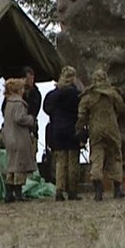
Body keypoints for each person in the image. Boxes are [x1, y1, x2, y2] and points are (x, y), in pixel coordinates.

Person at [77, 68, 125, 201]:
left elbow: (81, 115)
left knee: (96, 158)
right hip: (112, 129)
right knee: (115, 156)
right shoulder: (113, 94)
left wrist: (79, 128)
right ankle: (117, 190)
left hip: (96, 129)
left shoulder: (88, 96)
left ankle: (98, 192)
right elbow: (121, 107)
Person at [43, 65, 82, 201]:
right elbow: (81, 111)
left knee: (60, 162)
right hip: (72, 129)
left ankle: (59, 190)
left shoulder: (53, 95)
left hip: (57, 130)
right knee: (72, 161)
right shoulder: (76, 94)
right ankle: (72, 191)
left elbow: (47, 109)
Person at [1, 78, 36, 203]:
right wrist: (30, 119)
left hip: (9, 138)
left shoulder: (8, 103)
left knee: (11, 166)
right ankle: (18, 194)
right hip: (19, 138)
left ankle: (9, 193)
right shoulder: (19, 104)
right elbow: (19, 118)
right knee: (19, 167)